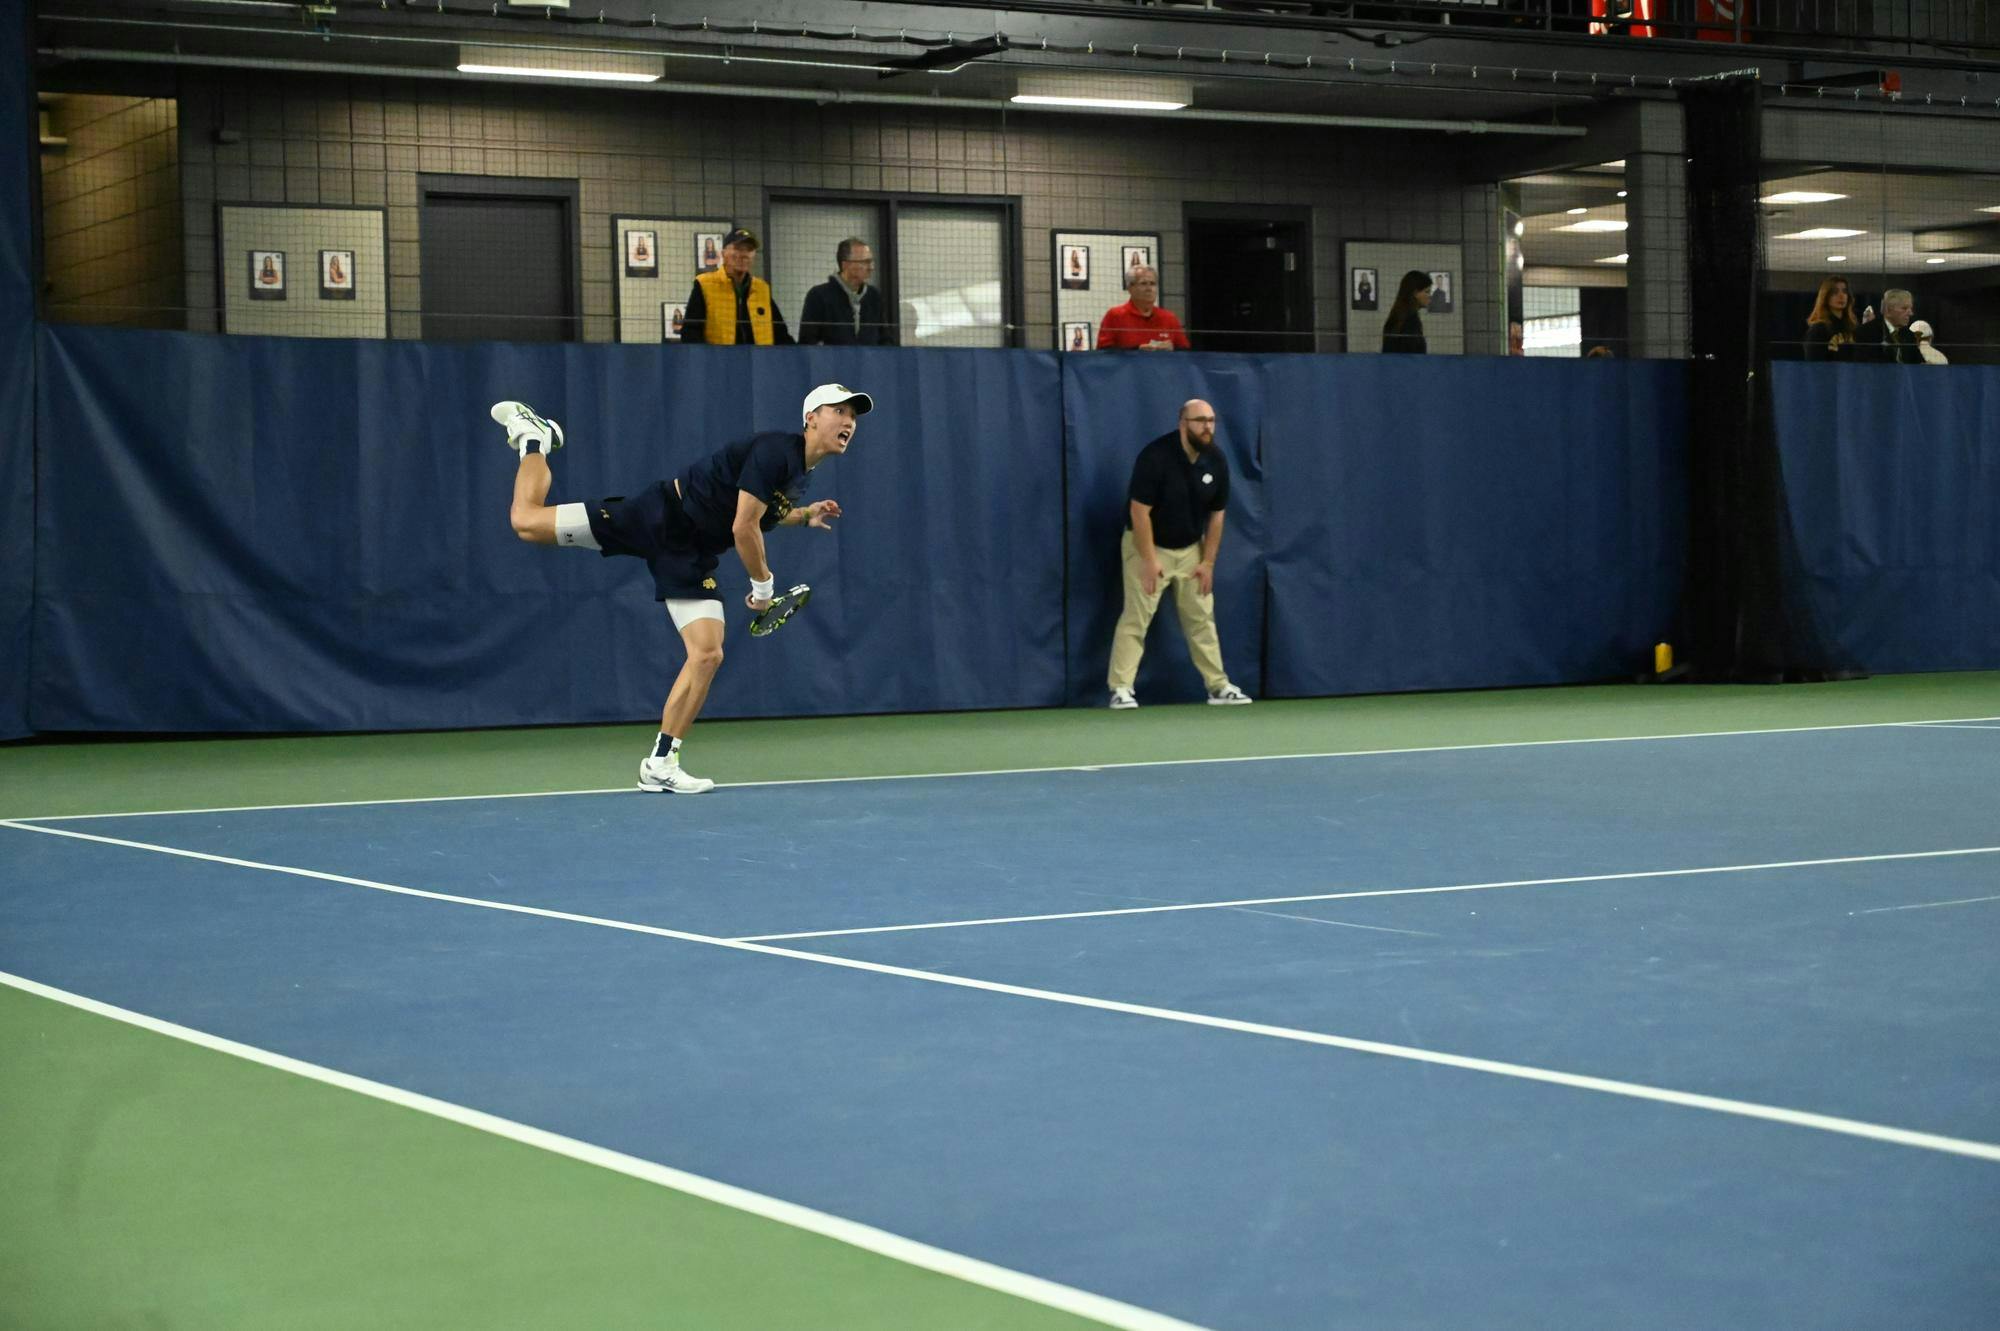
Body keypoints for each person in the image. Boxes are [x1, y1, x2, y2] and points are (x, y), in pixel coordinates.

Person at [489, 383, 871, 793]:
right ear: (811, 418)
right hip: (658, 517)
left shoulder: (801, 475)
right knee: (526, 523)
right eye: (839, 411)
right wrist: (763, 586)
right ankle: (534, 438)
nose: (848, 421)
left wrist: (805, 514)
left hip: (691, 554)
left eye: (853, 416)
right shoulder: (775, 451)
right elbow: (743, 527)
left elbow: (762, 517)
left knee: (707, 654)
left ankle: (660, 763)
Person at [1106, 400, 1252, 710]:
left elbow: (1217, 515)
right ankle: (1120, 689)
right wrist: (1148, 561)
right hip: (1147, 545)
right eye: (1200, 421)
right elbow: (1139, 512)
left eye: (1212, 421)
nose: (1207, 427)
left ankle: (1218, 686)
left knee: (1201, 619)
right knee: (1136, 617)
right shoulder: (1155, 457)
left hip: (1190, 551)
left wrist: (1208, 562)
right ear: (1183, 423)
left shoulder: (1216, 460)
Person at [680, 227, 794, 346]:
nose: (744, 254)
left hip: (757, 363)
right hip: (720, 363)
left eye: (749, 249)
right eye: (738, 248)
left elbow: (781, 334)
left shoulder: (762, 288)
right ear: (723, 253)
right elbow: (690, 333)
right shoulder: (705, 284)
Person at [797, 238, 897, 346]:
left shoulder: (874, 297)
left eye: (871, 261)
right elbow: (808, 343)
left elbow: (885, 340)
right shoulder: (819, 296)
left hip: (869, 362)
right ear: (845, 265)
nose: (871, 267)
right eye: (865, 262)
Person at [1096, 266, 1190, 351]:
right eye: (1143, 283)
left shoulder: (1169, 317)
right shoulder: (1115, 315)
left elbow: (1186, 352)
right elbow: (1104, 352)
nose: (1149, 288)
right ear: (1130, 288)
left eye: (1152, 284)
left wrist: (1173, 349)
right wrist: (1137, 350)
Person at [1854, 288, 1921, 363]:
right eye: (1904, 308)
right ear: (1888, 310)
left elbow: (1918, 363)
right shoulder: (1866, 332)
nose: (1910, 313)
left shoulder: (1910, 336)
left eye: (1910, 308)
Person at [1802, 275, 1858, 361]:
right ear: (1826, 297)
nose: (1841, 296)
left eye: (1844, 291)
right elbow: (1813, 363)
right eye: (1835, 292)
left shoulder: (1851, 327)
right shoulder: (1818, 329)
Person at [1380, 270, 1432, 353]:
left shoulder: (1397, 316)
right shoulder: (1411, 321)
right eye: (1427, 291)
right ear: (1415, 293)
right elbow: (1413, 355)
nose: (1429, 296)